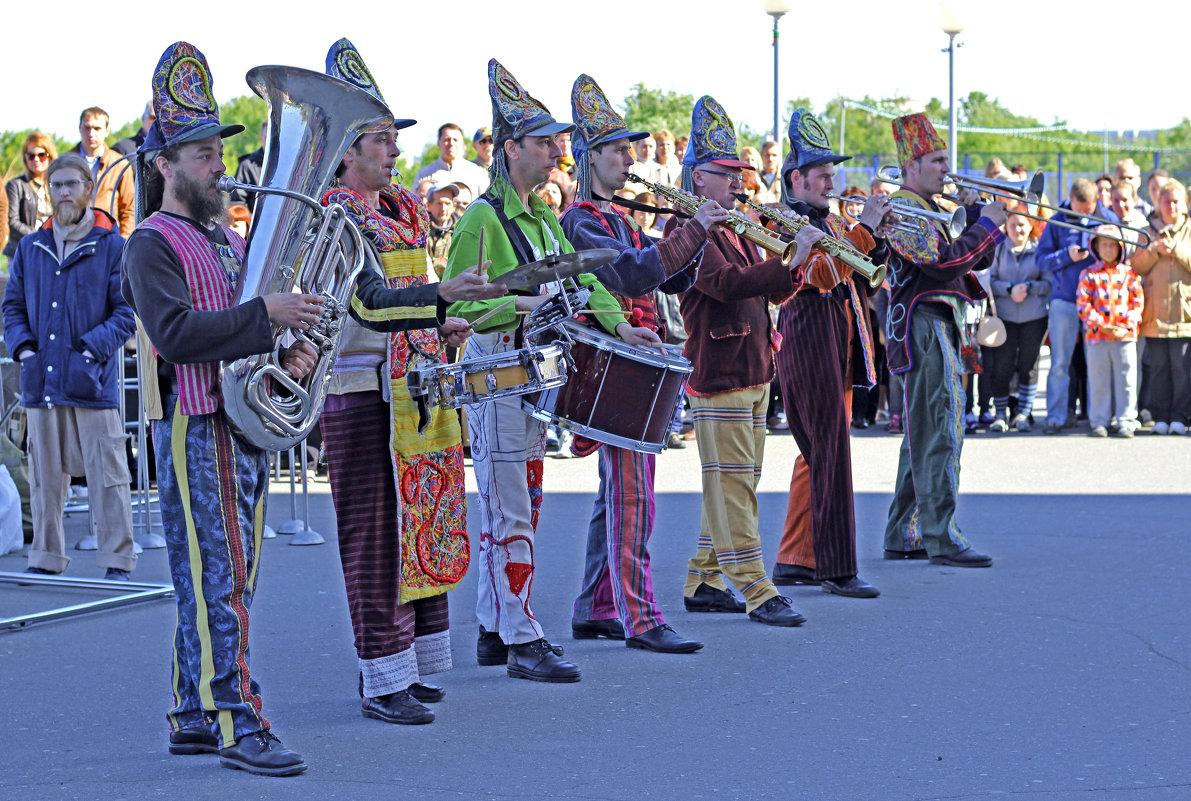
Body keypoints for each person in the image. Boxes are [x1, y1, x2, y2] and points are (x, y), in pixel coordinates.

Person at [120, 42, 317, 776]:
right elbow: (174, 337)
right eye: (201, 155)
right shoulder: (150, 242)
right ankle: (238, 719)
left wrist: (286, 348)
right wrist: (264, 314)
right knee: (218, 581)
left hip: (241, 422)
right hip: (197, 425)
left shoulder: (227, 235)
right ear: (163, 166)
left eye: (214, 152)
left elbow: (245, 329)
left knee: (225, 578)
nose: (217, 165)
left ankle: (190, 711)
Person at [317, 39, 504, 726]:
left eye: (394, 139)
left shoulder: (402, 209)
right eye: (380, 139)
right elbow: (366, 302)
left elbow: (410, 298)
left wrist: (444, 322)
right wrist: (439, 299)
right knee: (373, 534)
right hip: (361, 387)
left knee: (420, 523)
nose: (394, 150)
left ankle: (413, 665)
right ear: (346, 147)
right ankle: (378, 677)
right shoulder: (335, 213)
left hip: (413, 385)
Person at [441, 59, 647, 683]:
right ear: (511, 150)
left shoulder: (542, 216)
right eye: (544, 141)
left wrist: (617, 323)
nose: (559, 148)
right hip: (496, 368)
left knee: (517, 501)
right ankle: (523, 636)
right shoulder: (482, 218)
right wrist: (522, 303)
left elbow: (582, 276)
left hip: (527, 374)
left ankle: (492, 627)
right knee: (513, 509)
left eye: (559, 139)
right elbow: (460, 303)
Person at [562, 74, 723, 654]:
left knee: (620, 495)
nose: (630, 158)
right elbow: (629, 276)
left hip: (638, 364)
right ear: (591, 158)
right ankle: (641, 616)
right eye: (619, 149)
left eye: (630, 148)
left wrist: (697, 235)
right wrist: (692, 230)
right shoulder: (580, 218)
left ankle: (595, 607)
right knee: (634, 496)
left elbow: (667, 280)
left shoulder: (621, 216)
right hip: (619, 368)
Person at [669, 95, 823, 626]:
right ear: (697, 179)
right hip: (721, 372)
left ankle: (704, 578)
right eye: (725, 173)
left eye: (739, 173)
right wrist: (790, 258)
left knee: (736, 478)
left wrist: (795, 267)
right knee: (733, 481)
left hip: (754, 366)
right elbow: (725, 284)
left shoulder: (735, 224)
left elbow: (765, 294)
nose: (738, 182)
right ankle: (757, 588)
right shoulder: (686, 228)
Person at [3, 152, 137, 579]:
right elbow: (12, 308)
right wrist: (25, 352)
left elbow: (126, 312)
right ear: (49, 190)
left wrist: (89, 351)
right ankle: (45, 556)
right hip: (42, 380)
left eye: (71, 185)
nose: (63, 192)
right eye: (56, 185)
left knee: (109, 477)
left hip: (92, 382)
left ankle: (117, 559)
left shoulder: (112, 245)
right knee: (44, 478)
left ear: (87, 189)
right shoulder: (30, 247)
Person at [769, 109, 885, 599]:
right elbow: (819, 275)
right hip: (808, 334)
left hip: (838, 337)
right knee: (830, 453)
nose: (831, 182)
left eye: (832, 174)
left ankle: (795, 557)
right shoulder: (779, 219)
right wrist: (866, 231)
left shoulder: (830, 219)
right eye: (823, 175)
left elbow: (859, 270)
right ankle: (836, 569)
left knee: (816, 454)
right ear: (797, 178)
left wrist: (873, 237)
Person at [881, 112, 1006, 567]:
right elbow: (943, 263)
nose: (946, 169)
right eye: (937, 160)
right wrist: (986, 224)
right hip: (924, 324)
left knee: (923, 430)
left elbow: (976, 263)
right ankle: (942, 535)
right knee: (942, 429)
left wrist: (977, 217)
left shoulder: (930, 207)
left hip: (939, 321)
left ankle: (904, 530)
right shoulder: (906, 207)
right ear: (911, 165)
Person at [1036, 179, 1119, 434]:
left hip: (1100, 303)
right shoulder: (1058, 220)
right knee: (1060, 363)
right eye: (1078, 209)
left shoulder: (1108, 219)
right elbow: (1041, 260)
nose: (1083, 215)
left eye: (1088, 210)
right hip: (1065, 300)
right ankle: (1056, 417)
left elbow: (1120, 255)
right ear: (1070, 199)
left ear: (1097, 202)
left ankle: (1101, 419)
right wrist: (1066, 256)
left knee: (1101, 363)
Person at [1131, 178, 1191, 435]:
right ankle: (1160, 416)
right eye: (1166, 201)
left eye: (1176, 201)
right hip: (1154, 313)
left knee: (1181, 369)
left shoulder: (1189, 230)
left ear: (1184, 204)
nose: (1171, 206)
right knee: (1157, 369)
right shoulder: (1147, 230)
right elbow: (1137, 265)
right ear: (1158, 203)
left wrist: (1176, 250)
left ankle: (1180, 415)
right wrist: (1155, 250)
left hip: (1183, 313)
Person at [986, 211, 1050, 432]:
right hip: (1005, 318)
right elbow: (991, 281)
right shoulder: (999, 249)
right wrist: (1009, 289)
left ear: (1030, 226)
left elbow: (1048, 283)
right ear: (1007, 227)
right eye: (1013, 225)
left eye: (1022, 225)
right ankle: (1001, 414)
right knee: (1002, 366)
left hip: (1034, 317)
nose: (1018, 230)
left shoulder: (1039, 249)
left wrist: (1030, 287)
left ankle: (1023, 413)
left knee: (1028, 366)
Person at [1076, 226, 1143, 438]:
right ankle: (1099, 420)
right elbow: (1083, 303)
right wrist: (1100, 324)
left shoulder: (1129, 275)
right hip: (1097, 336)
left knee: (1126, 380)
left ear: (1120, 247)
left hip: (1124, 336)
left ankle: (1126, 420)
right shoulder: (1088, 275)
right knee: (1098, 381)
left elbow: (1137, 303)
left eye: (1112, 244)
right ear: (1095, 247)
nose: (1108, 248)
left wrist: (1124, 327)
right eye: (1103, 244)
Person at [71, 107, 135, 236]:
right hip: (72, 237)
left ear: (107, 131)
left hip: (108, 236)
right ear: (79, 128)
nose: (91, 133)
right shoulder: (65, 162)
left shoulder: (119, 164)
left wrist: (123, 242)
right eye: (87, 127)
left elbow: (129, 209)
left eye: (97, 128)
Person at [5, 132, 56, 258]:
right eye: (31, 156)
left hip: (52, 252)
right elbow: (12, 222)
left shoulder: (58, 185)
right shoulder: (16, 185)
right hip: (22, 253)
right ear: (25, 159)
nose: (36, 159)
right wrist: (41, 235)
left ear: (50, 156)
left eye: (42, 155)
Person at [414, 122, 490, 197]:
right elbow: (413, 203)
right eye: (447, 140)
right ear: (438, 143)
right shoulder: (424, 174)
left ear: (462, 144)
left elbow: (487, 202)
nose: (451, 143)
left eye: (455, 140)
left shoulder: (476, 172)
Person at [230, 122, 266, 213]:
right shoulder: (247, 165)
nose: (272, 142)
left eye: (275, 138)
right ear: (260, 138)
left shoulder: (291, 165)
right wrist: (246, 220)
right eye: (267, 138)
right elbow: (236, 203)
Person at [425, 182, 459, 275]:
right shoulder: (420, 232)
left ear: (453, 206)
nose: (443, 208)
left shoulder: (460, 231)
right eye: (439, 203)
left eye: (447, 203)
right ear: (428, 206)